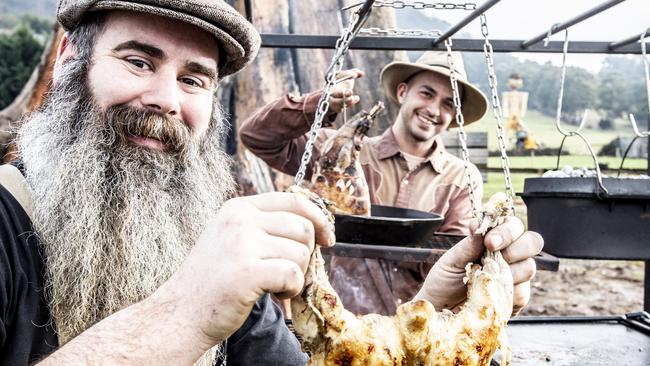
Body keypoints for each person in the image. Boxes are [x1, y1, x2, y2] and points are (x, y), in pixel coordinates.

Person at [0, 2, 542, 365]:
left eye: (193, 79)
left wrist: (434, 314)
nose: (168, 99)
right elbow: (263, 136)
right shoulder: (7, 222)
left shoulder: (202, 236)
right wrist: (186, 312)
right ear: (71, 57)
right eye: (139, 61)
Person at [240, 51, 512, 315]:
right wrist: (322, 103)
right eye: (427, 93)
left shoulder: (460, 177)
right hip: (331, 317)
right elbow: (257, 136)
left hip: (413, 325)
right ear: (403, 92)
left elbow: (453, 257)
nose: (433, 109)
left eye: (448, 103)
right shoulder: (341, 152)